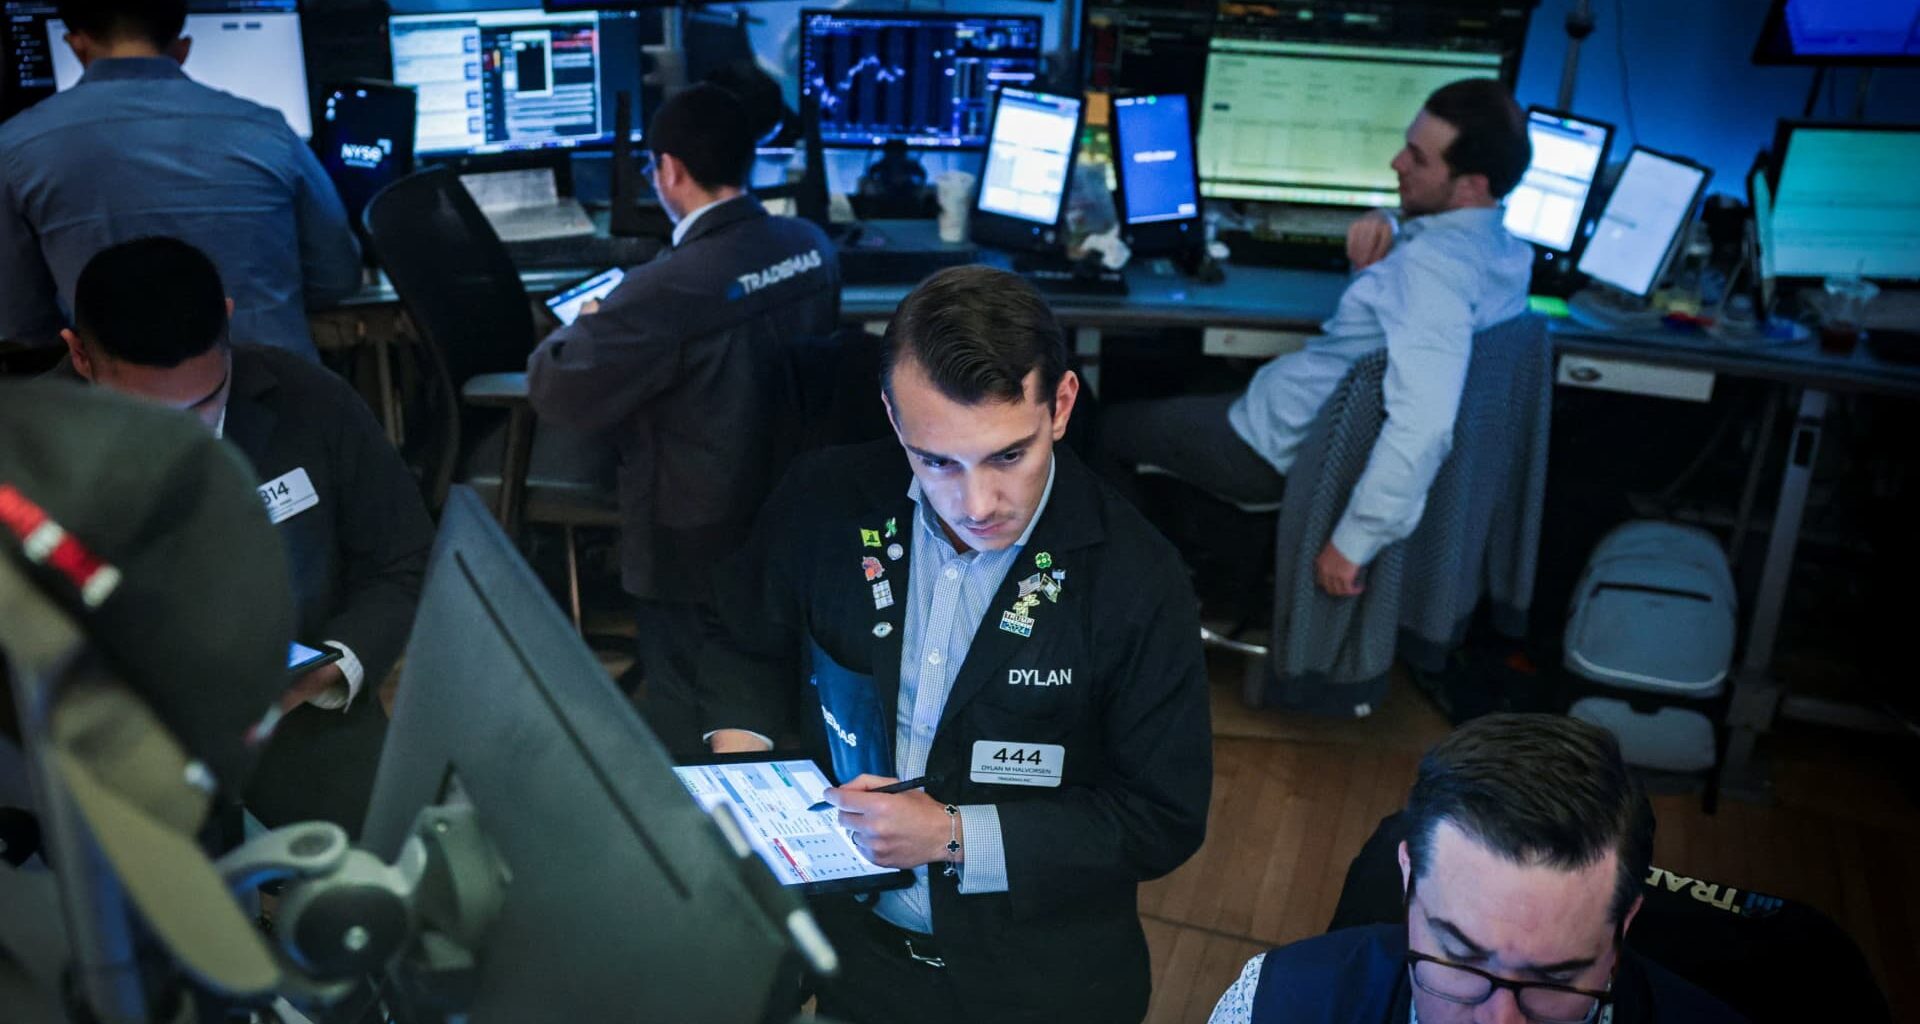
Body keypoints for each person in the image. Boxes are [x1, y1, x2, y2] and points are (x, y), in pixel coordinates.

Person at [696, 266, 1213, 1024]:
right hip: (854, 960)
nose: (976, 504)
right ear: (892, 414)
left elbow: (1161, 818)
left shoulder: (1136, 577)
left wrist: (952, 835)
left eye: (1008, 456)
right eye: (936, 460)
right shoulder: (825, 500)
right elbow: (743, 642)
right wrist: (749, 776)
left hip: (1039, 989)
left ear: (1061, 405)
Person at [55, 236, 432, 835]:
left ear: (227, 320)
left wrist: (325, 670)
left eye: (204, 403)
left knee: (386, 874)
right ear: (79, 355)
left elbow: (402, 560)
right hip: (113, 768)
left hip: (304, 731)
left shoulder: (308, 401)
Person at [1099, 78, 1534, 597]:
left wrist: (1353, 543)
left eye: (1417, 159)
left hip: (1268, 447)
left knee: (1100, 430)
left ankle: (1148, 595)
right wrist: (1392, 223)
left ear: (1470, 186)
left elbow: (1425, 425)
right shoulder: (1505, 253)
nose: (1396, 163)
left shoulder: (1430, 273)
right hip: (1305, 427)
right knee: (1189, 378)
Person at [526, 83, 840, 758]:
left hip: (691, 544)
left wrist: (588, 323)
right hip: (792, 517)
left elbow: (557, 389)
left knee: (688, 719)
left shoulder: (662, 289)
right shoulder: (811, 245)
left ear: (668, 169)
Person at [1207, 714, 1745, 1024]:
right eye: (1461, 959)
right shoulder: (1270, 1006)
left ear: (1625, 923)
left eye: (1554, 978)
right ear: (1407, 879)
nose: (1499, 1022)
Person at [0, 0, 360, 358]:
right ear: (182, 48)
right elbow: (337, 277)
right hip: (275, 380)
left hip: (116, 388)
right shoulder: (270, 130)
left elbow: (19, 319)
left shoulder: (16, 147)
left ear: (76, 44)